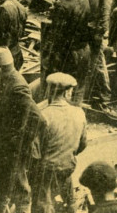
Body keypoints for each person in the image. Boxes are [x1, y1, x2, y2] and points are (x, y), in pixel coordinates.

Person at [0, 47, 45, 213]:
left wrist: (20, 145)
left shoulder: (18, 86)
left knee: (20, 189)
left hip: (13, 149)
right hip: (4, 148)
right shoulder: (6, 80)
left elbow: (36, 119)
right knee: (3, 184)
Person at [31, 73, 87, 213]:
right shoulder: (79, 113)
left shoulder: (42, 114)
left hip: (46, 169)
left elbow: (35, 152)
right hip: (68, 166)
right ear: (68, 92)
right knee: (70, 200)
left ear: (49, 91)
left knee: (43, 203)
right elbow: (83, 144)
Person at [42, 0, 91, 103]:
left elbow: (56, 35)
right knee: (78, 86)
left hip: (66, 54)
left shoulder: (62, 6)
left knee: (61, 87)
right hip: (82, 50)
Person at [77, 0, 114, 107]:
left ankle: (104, 97)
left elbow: (107, 7)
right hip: (82, 26)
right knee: (84, 61)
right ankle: (86, 95)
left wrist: (102, 29)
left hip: (95, 27)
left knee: (98, 63)